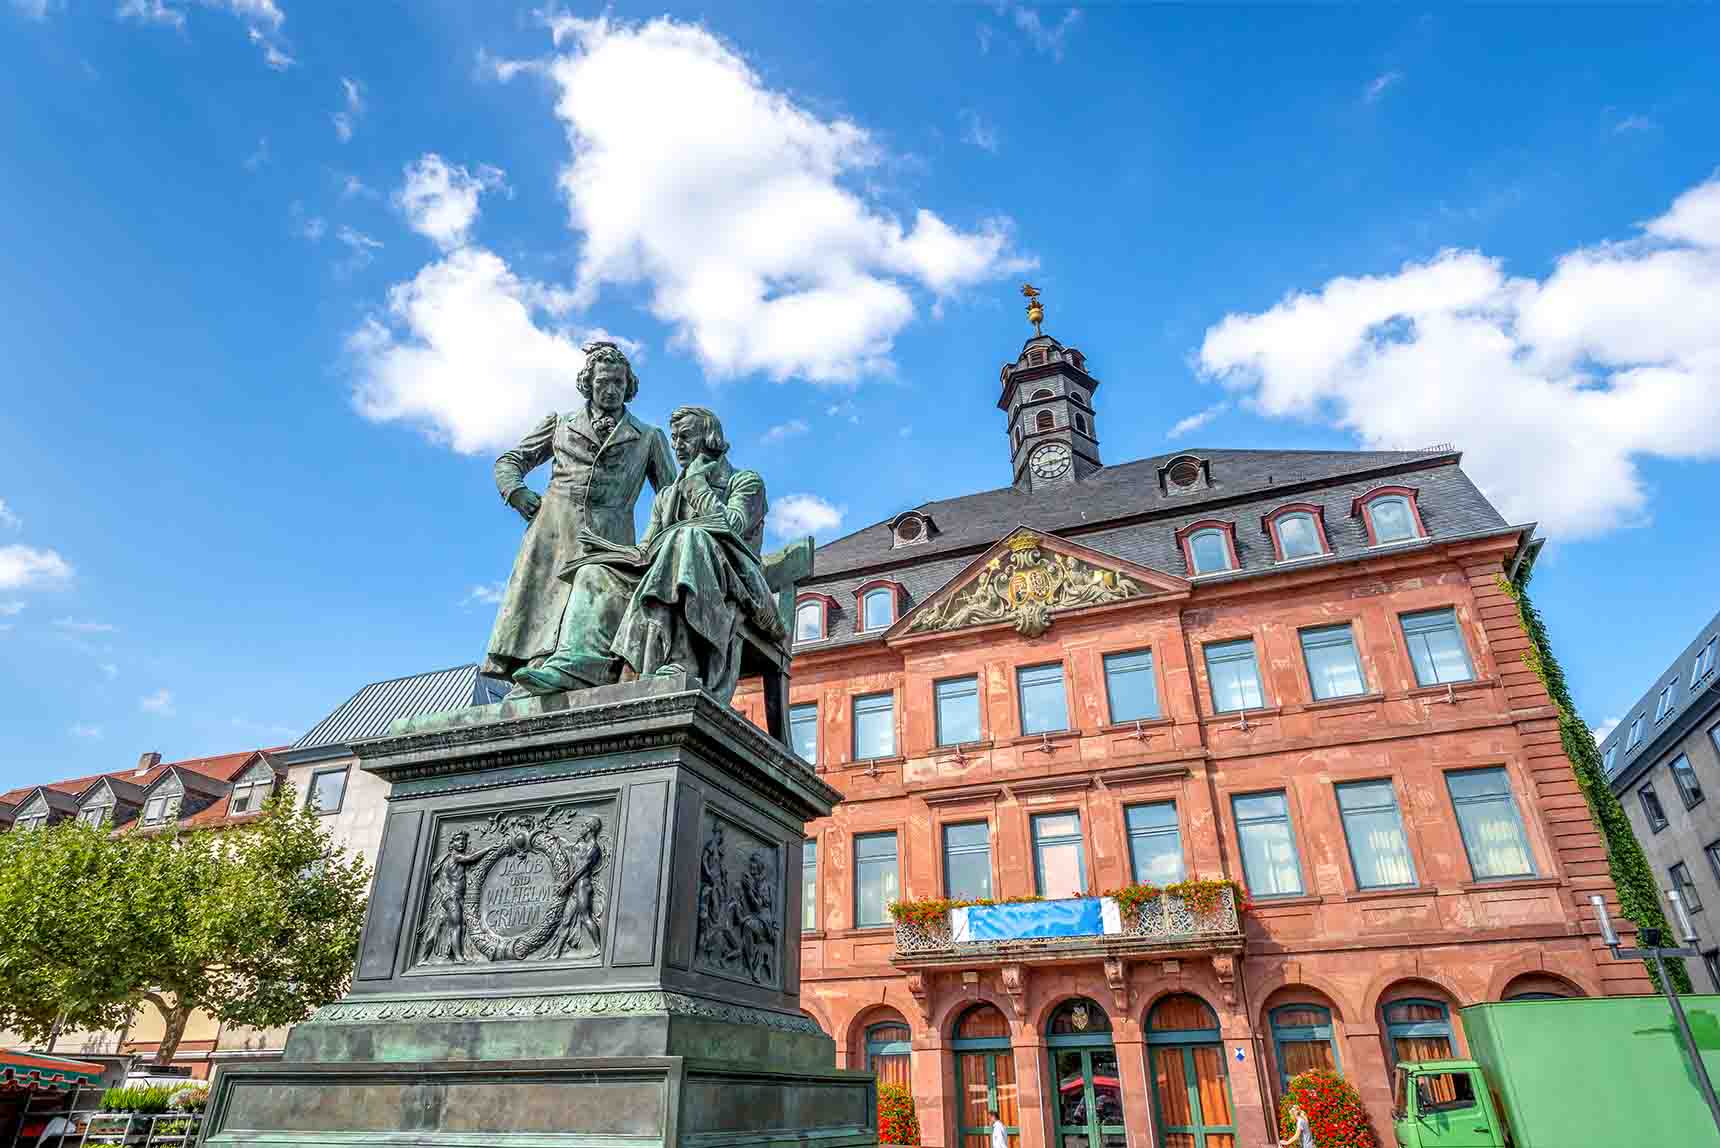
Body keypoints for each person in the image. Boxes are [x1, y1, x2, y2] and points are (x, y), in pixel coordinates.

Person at [514, 405, 782, 704]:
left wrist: (696, 485)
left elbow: (732, 527)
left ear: (710, 441)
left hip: (731, 580)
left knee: (686, 537)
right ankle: (579, 664)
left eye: (685, 438)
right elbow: (645, 549)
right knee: (594, 572)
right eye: (675, 438)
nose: (677, 446)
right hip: (664, 569)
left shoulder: (744, 482)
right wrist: (609, 551)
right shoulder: (667, 496)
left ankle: (684, 659)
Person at [481, 343, 675, 688]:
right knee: (543, 606)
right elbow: (510, 461)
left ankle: (586, 670)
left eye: (618, 382)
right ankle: (537, 673)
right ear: (589, 383)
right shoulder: (559, 424)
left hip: (610, 536)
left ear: (628, 385)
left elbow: (672, 495)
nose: (611, 389)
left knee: (593, 609)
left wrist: (652, 545)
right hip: (553, 529)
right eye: (604, 382)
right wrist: (517, 491)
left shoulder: (649, 437)